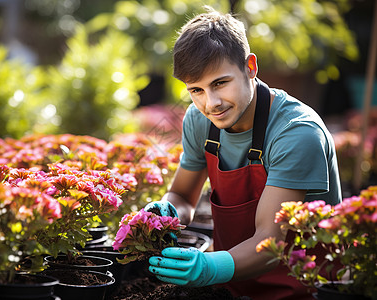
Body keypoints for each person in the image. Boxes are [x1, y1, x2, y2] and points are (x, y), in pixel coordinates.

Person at [145, 6, 342, 300]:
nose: (211, 103)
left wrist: (208, 267)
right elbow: (184, 197)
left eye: (220, 83)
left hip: (300, 288)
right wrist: (165, 212)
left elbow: (270, 241)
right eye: (196, 90)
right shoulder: (200, 121)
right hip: (234, 285)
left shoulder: (296, 133)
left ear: (250, 67)